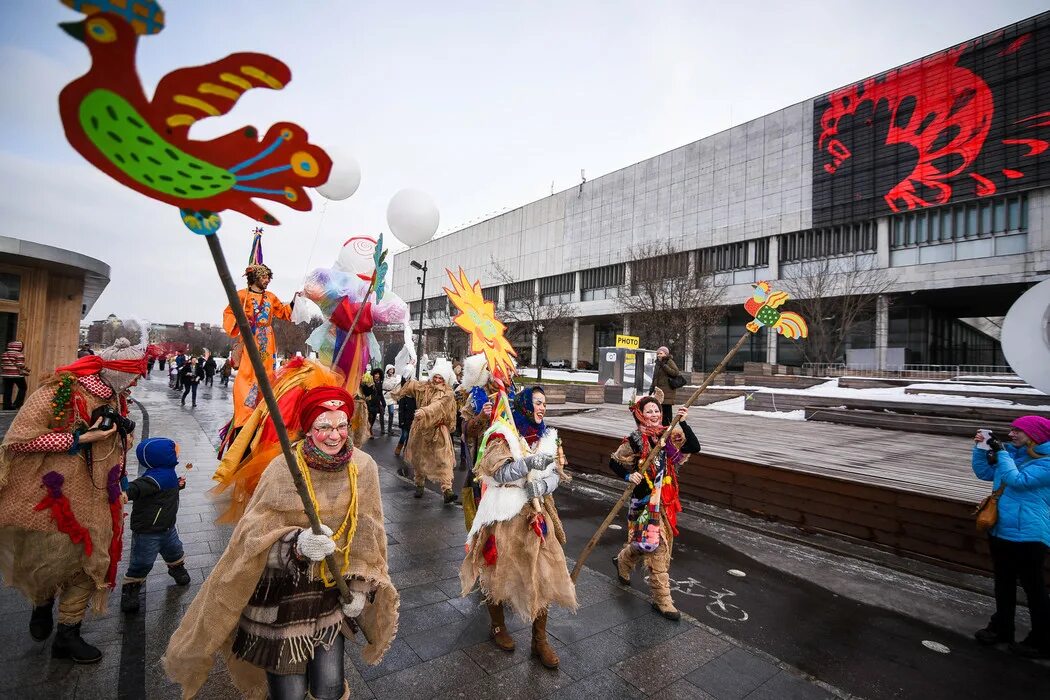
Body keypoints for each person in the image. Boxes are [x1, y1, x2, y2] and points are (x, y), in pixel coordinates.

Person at [163, 386, 399, 699]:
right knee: (289, 692)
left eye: (341, 426)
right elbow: (250, 539)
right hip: (281, 601)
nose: (334, 435)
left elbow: (369, 533)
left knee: (329, 687)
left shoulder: (364, 466)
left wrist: (359, 589)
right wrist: (296, 543)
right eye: (323, 427)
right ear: (308, 429)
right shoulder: (282, 467)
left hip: (331, 597)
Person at [0, 337, 144, 663]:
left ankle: (68, 634)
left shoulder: (116, 396)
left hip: (99, 497)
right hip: (58, 495)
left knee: (89, 564)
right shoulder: (63, 389)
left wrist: (124, 439)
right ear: (117, 371)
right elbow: (19, 439)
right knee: (52, 560)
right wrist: (80, 437)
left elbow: (118, 445)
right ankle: (41, 605)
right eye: (134, 374)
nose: (136, 381)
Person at [460, 385, 577, 669]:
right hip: (505, 515)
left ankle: (540, 640)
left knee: (544, 574)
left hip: (537, 516)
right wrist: (527, 465)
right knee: (498, 572)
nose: (542, 408)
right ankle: (498, 626)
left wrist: (545, 482)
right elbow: (496, 472)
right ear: (525, 405)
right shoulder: (502, 432)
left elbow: (556, 474)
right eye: (538, 402)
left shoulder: (549, 436)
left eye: (545, 404)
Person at [610, 388, 701, 621]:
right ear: (640, 415)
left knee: (649, 545)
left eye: (657, 410)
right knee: (656, 545)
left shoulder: (667, 437)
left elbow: (693, 447)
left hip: (665, 501)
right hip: (643, 503)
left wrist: (684, 422)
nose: (654, 414)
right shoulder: (635, 440)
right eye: (648, 411)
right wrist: (629, 476)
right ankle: (663, 601)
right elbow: (615, 462)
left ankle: (623, 559)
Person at [972, 416, 1050, 658]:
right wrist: (981, 449)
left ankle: (1042, 640)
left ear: (1035, 435)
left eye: (1018, 431)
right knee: (1003, 583)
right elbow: (984, 473)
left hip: (1029, 535)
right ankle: (1002, 628)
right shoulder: (1015, 456)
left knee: (1033, 588)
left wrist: (1002, 454)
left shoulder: (1046, 462)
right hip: (1002, 529)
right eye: (1012, 429)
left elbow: (1018, 481)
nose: (1012, 434)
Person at [119, 437, 190, 614]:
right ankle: (131, 588)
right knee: (142, 561)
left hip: (168, 527)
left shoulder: (167, 472)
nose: (177, 452)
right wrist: (125, 491)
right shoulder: (153, 479)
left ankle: (177, 569)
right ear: (163, 457)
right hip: (147, 531)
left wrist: (177, 485)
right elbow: (135, 489)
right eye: (173, 450)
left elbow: (166, 489)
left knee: (175, 550)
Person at [222, 263, 293, 440]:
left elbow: (284, 312)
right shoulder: (242, 295)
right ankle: (244, 418)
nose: (267, 280)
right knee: (247, 376)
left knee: (267, 376)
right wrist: (240, 322)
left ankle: (262, 415)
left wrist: (293, 301)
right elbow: (229, 312)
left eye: (269, 277)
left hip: (267, 340)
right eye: (264, 277)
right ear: (255, 278)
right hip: (249, 337)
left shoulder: (271, 297)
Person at [390, 359, 458, 503]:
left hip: (438, 430)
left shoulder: (447, 394)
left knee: (444, 459)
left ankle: (447, 490)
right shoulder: (424, 387)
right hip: (420, 429)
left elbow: (437, 406)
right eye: (436, 376)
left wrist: (424, 411)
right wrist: (406, 377)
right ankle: (419, 484)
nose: (437, 380)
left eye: (441, 378)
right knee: (419, 457)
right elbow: (408, 386)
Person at [649, 346, 682, 426]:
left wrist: (664, 366)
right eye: (658, 353)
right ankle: (661, 428)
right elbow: (655, 377)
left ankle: (667, 428)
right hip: (659, 391)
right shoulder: (657, 363)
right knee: (660, 410)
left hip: (668, 391)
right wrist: (652, 388)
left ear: (666, 354)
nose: (659, 355)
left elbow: (675, 372)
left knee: (667, 410)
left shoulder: (669, 361)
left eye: (661, 353)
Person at [394, 365, 416, 458]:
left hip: (412, 419)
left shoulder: (415, 399)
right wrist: (401, 421)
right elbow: (401, 411)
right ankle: (399, 447)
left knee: (410, 436)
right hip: (405, 420)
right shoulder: (404, 397)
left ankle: (406, 450)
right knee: (404, 435)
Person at [2, 340, 30, 411]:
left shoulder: (4, 354)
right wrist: (27, 369)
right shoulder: (19, 354)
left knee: (8, 390)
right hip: (16, 375)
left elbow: (2, 365)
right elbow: (20, 365)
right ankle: (17, 404)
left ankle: (6, 406)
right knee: (23, 387)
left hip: (6, 375)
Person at [365, 368, 386, 435]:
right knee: (370, 416)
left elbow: (380, 393)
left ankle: (372, 428)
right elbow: (367, 392)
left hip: (377, 402)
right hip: (370, 402)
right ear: (373, 375)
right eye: (375, 374)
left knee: (374, 416)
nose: (377, 375)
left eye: (378, 374)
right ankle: (370, 431)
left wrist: (383, 402)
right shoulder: (370, 382)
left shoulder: (379, 383)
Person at [382, 365, 399, 435]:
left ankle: (390, 429)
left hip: (390, 397)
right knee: (382, 413)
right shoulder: (383, 378)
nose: (391, 371)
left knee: (391, 412)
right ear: (387, 370)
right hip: (384, 396)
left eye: (392, 370)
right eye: (390, 370)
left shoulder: (395, 379)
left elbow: (396, 388)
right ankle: (382, 429)